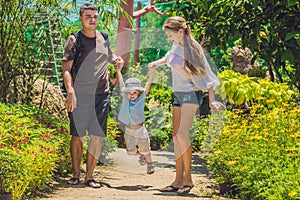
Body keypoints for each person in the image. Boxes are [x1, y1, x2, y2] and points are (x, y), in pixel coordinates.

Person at [148, 16, 220, 195]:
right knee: (175, 136)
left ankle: (188, 179)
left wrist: (211, 100)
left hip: (191, 92)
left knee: (182, 134)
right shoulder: (175, 46)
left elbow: (208, 76)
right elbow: (169, 57)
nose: (168, 38)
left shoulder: (194, 49)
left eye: (170, 34)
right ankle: (177, 179)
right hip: (177, 93)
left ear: (180, 31)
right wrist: (157, 63)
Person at [62, 3, 124, 188]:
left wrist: (116, 59)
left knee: (97, 136)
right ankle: (75, 174)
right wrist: (70, 91)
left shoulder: (103, 37)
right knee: (78, 135)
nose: (92, 19)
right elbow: (66, 68)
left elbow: (109, 55)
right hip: (80, 94)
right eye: (88, 16)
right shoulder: (74, 40)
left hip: (101, 94)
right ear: (81, 18)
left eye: (95, 16)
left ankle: (89, 176)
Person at [115, 65, 156, 175]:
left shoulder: (141, 99)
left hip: (140, 130)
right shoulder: (125, 98)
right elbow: (121, 84)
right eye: (129, 93)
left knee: (145, 149)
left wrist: (152, 73)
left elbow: (148, 85)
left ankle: (150, 164)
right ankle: (141, 155)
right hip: (129, 131)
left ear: (139, 93)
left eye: (134, 93)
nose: (131, 95)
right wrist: (118, 71)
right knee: (131, 152)